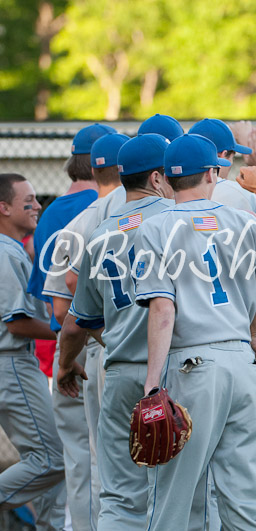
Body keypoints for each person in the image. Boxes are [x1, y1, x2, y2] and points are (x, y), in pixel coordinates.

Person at [133, 133, 256, 529]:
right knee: (254, 500)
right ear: (213, 172)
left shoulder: (155, 228)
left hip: (192, 365)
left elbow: (162, 308)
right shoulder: (244, 221)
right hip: (242, 363)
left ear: (165, 180)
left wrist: (152, 385)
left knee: (174, 499)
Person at [57, 134, 175, 529]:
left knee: (121, 495)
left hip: (121, 369)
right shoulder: (178, 217)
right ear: (159, 178)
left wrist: (65, 363)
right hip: (174, 371)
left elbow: (76, 322)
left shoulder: (101, 233)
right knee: (179, 493)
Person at [28, 122, 113, 530]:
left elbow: (56, 307)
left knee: (80, 459)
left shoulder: (51, 214)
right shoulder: (124, 208)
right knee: (116, 460)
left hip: (69, 348)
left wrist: (69, 350)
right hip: (107, 347)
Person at [44, 131, 129, 529]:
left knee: (96, 464)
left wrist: (73, 354)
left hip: (97, 348)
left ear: (92, 168)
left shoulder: (72, 222)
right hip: (157, 348)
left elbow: (62, 308)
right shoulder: (150, 212)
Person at [0, 173, 65, 530]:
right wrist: (69, 330)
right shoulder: (5, 251)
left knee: (50, 460)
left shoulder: (11, 249)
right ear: (3, 208)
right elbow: (17, 323)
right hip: (11, 361)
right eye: (28, 201)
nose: (37, 205)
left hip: (13, 362)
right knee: (51, 460)